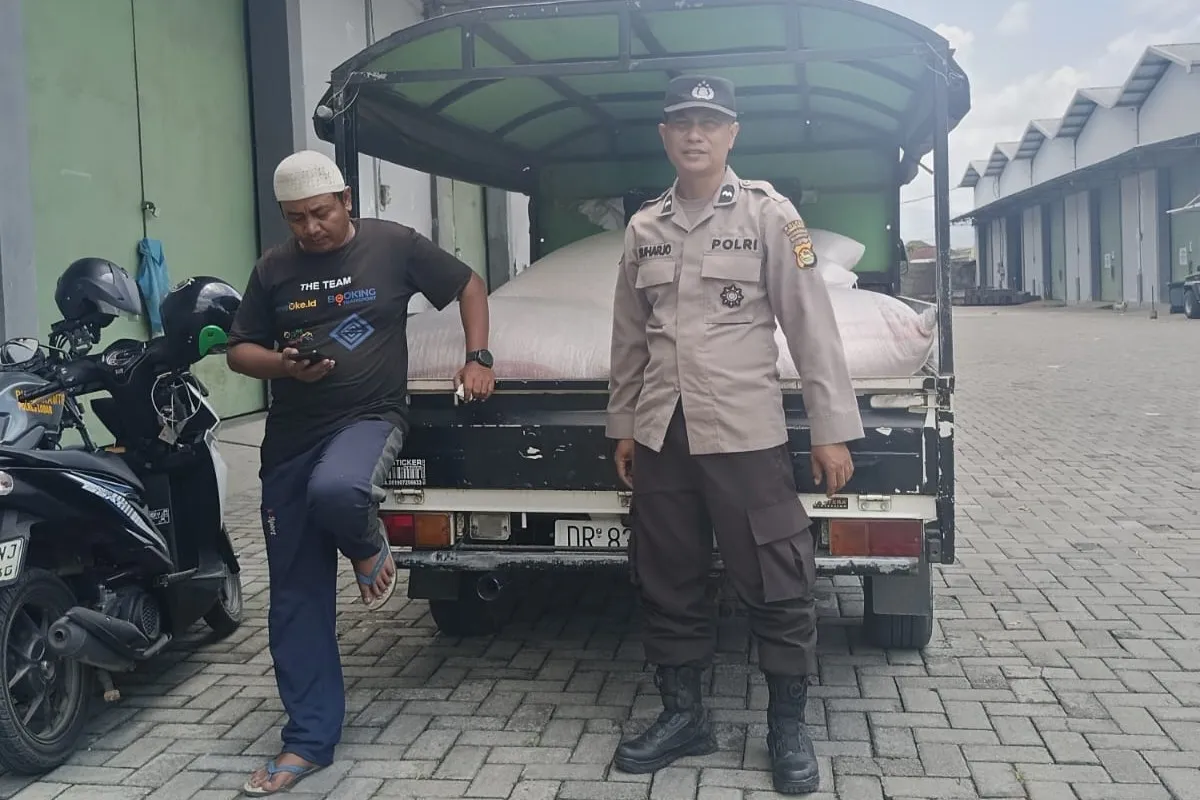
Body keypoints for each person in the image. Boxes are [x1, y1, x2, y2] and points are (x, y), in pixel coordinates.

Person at [605, 76, 864, 796]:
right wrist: (623, 424)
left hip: (745, 431)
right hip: (663, 432)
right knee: (667, 574)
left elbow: (811, 323)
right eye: (682, 123)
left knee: (776, 577)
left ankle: (787, 725)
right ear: (665, 136)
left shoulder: (770, 215)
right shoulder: (644, 228)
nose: (695, 135)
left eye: (709, 123)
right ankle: (684, 715)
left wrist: (830, 429)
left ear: (731, 134)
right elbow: (629, 337)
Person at [226, 150, 495, 795]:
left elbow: (469, 284)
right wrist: (284, 366)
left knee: (340, 491)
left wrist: (478, 356)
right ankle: (308, 740)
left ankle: (369, 548)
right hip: (290, 437)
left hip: (370, 417)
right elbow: (239, 351)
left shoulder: (392, 245)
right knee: (294, 599)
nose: (311, 228)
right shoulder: (274, 269)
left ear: (346, 200)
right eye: (296, 218)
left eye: (320, 213)